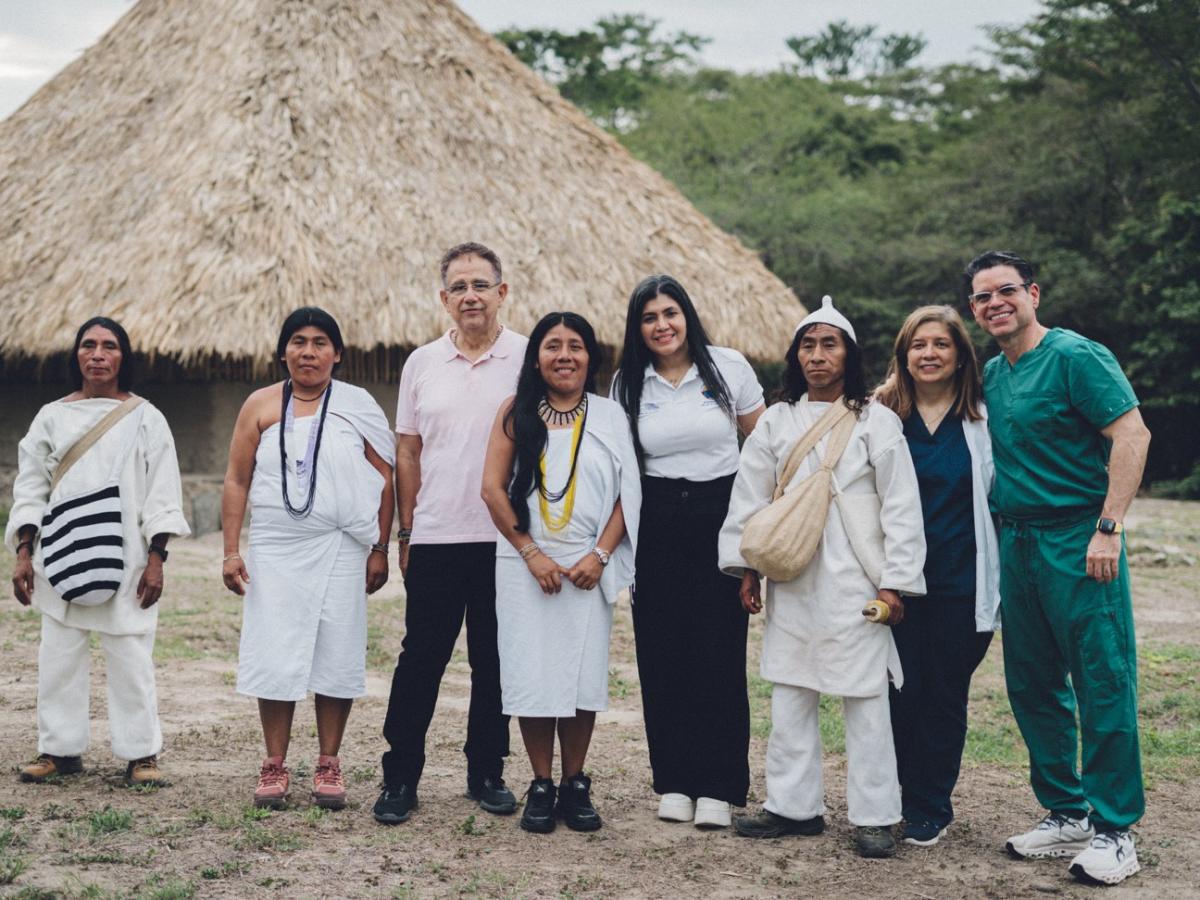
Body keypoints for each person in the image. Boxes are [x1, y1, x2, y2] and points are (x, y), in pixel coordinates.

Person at [965, 250, 1151, 885]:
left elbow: (1132, 436)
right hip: (1016, 542)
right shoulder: (993, 374)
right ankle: (1066, 811)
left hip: (1079, 537)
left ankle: (1115, 829)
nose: (996, 303)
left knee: (1102, 678)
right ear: (974, 310)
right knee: (1032, 682)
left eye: (1006, 290)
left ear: (1033, 294)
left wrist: (1109, 527)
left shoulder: (1075, 356)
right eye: (983, 297)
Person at [718, 297, 926, 859]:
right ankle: (792, 806)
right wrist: (747, 568)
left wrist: (894, 582)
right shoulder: (776, 420)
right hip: (792, 574)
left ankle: (876, 816)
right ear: (795, 356)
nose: (817, 355)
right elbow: (749, 496)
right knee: (790, 692)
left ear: (849, 355)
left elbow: (901, 506)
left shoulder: (877, 421)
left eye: (828, 344)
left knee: (866, 699)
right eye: (807, 346)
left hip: (858, 578)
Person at [375, 243, 527, 825]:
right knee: (421, 659)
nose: (470, 296)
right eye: (459, 287)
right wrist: (407, 531)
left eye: (481, 285)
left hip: (504, 538)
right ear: (444, 299)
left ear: (501, 292)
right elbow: (408, 452)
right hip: (436, 535)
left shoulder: (526, 358)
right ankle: (400, 777)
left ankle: (487, 771)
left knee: (494, 660)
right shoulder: (421, 363)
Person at [222, 307, 395, 810]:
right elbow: (237, 479)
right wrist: (230, 551)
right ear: (284, 352)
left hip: (342, 546)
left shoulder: (357, 405)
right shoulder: (259, 404)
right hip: (276, 547)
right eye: (298, 341)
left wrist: (380, 548)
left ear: (337, 354)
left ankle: (328, 762)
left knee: (337, 649)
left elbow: (385, 479)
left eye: (321, 342)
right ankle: (274, 764)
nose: (309, 352)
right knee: (275, 648)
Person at [7, 317, 189, 786]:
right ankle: (60, 750)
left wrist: (156, 558)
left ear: (123, 357)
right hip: (61, 552)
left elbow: (162, 491)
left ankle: (141, 754)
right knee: (58, 657)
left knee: (130, 656)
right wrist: (24, 552)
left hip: (128, 559)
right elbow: (30, 487)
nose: (98, 354)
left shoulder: (146, 417)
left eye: (109, 346)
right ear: (77, 355)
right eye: (88, 345)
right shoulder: (51, 417)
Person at [610, 275, 764, 829]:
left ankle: (719, 785)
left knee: (718, 651)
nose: (662, 326)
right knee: (662, 652)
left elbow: (764, 449)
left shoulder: (727, 366)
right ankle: (674, 780)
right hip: (656, 520)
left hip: (720, 514)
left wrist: (756, 539)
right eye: (649, 317)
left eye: (670, 313)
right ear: (638, 328)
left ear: (687, 315)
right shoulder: (628, 382)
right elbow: (623, 466)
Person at [481, 312, 640, 834]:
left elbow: (629, 493)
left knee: (581, 677)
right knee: (532, 673)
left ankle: (575, 782)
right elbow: (492, 489)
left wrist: (601, 554)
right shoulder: (515, 411)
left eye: (576, 346)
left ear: (591, 357)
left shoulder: (610, 416)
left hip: (588, 567)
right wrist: (531, 553)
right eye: (553, 346)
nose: (564, 356)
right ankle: (541, 783)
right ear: (536, 358)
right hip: (525, 565)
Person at [874, 305, 1000, 846]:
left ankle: (930, 806)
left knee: (944, 695)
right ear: (903, 356)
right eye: (918, 345)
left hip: (961, 583)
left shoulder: (984, 420)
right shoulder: (881, 416)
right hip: (895, 584)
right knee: (898, 693)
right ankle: (893, 796)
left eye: (941, 344)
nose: (929, 354)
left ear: (960, 355)